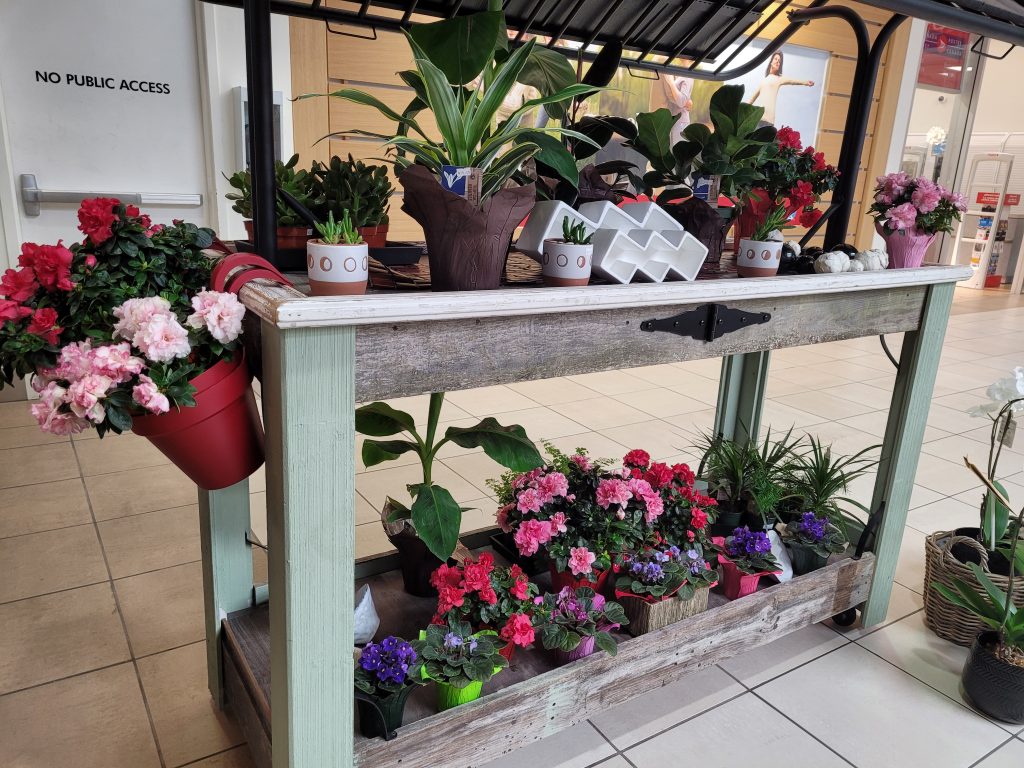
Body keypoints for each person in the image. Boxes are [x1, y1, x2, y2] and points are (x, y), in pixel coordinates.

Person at [748, 51, 813, 125]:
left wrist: (805, 82)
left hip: (769, 121)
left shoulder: (779, 79)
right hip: (758, 118)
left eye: (779, 61)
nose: (777, 62)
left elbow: (791, 81)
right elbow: (752, 99)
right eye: (776, 59)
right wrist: (740, 108)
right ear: (771, 62)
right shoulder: (763, 81)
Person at [661, 74, 694, 146]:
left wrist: (671, 83)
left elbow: (681, 101)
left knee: (679, 150)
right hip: (676, 120)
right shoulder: (680, 74)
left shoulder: (687, 76)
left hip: (681, 121)